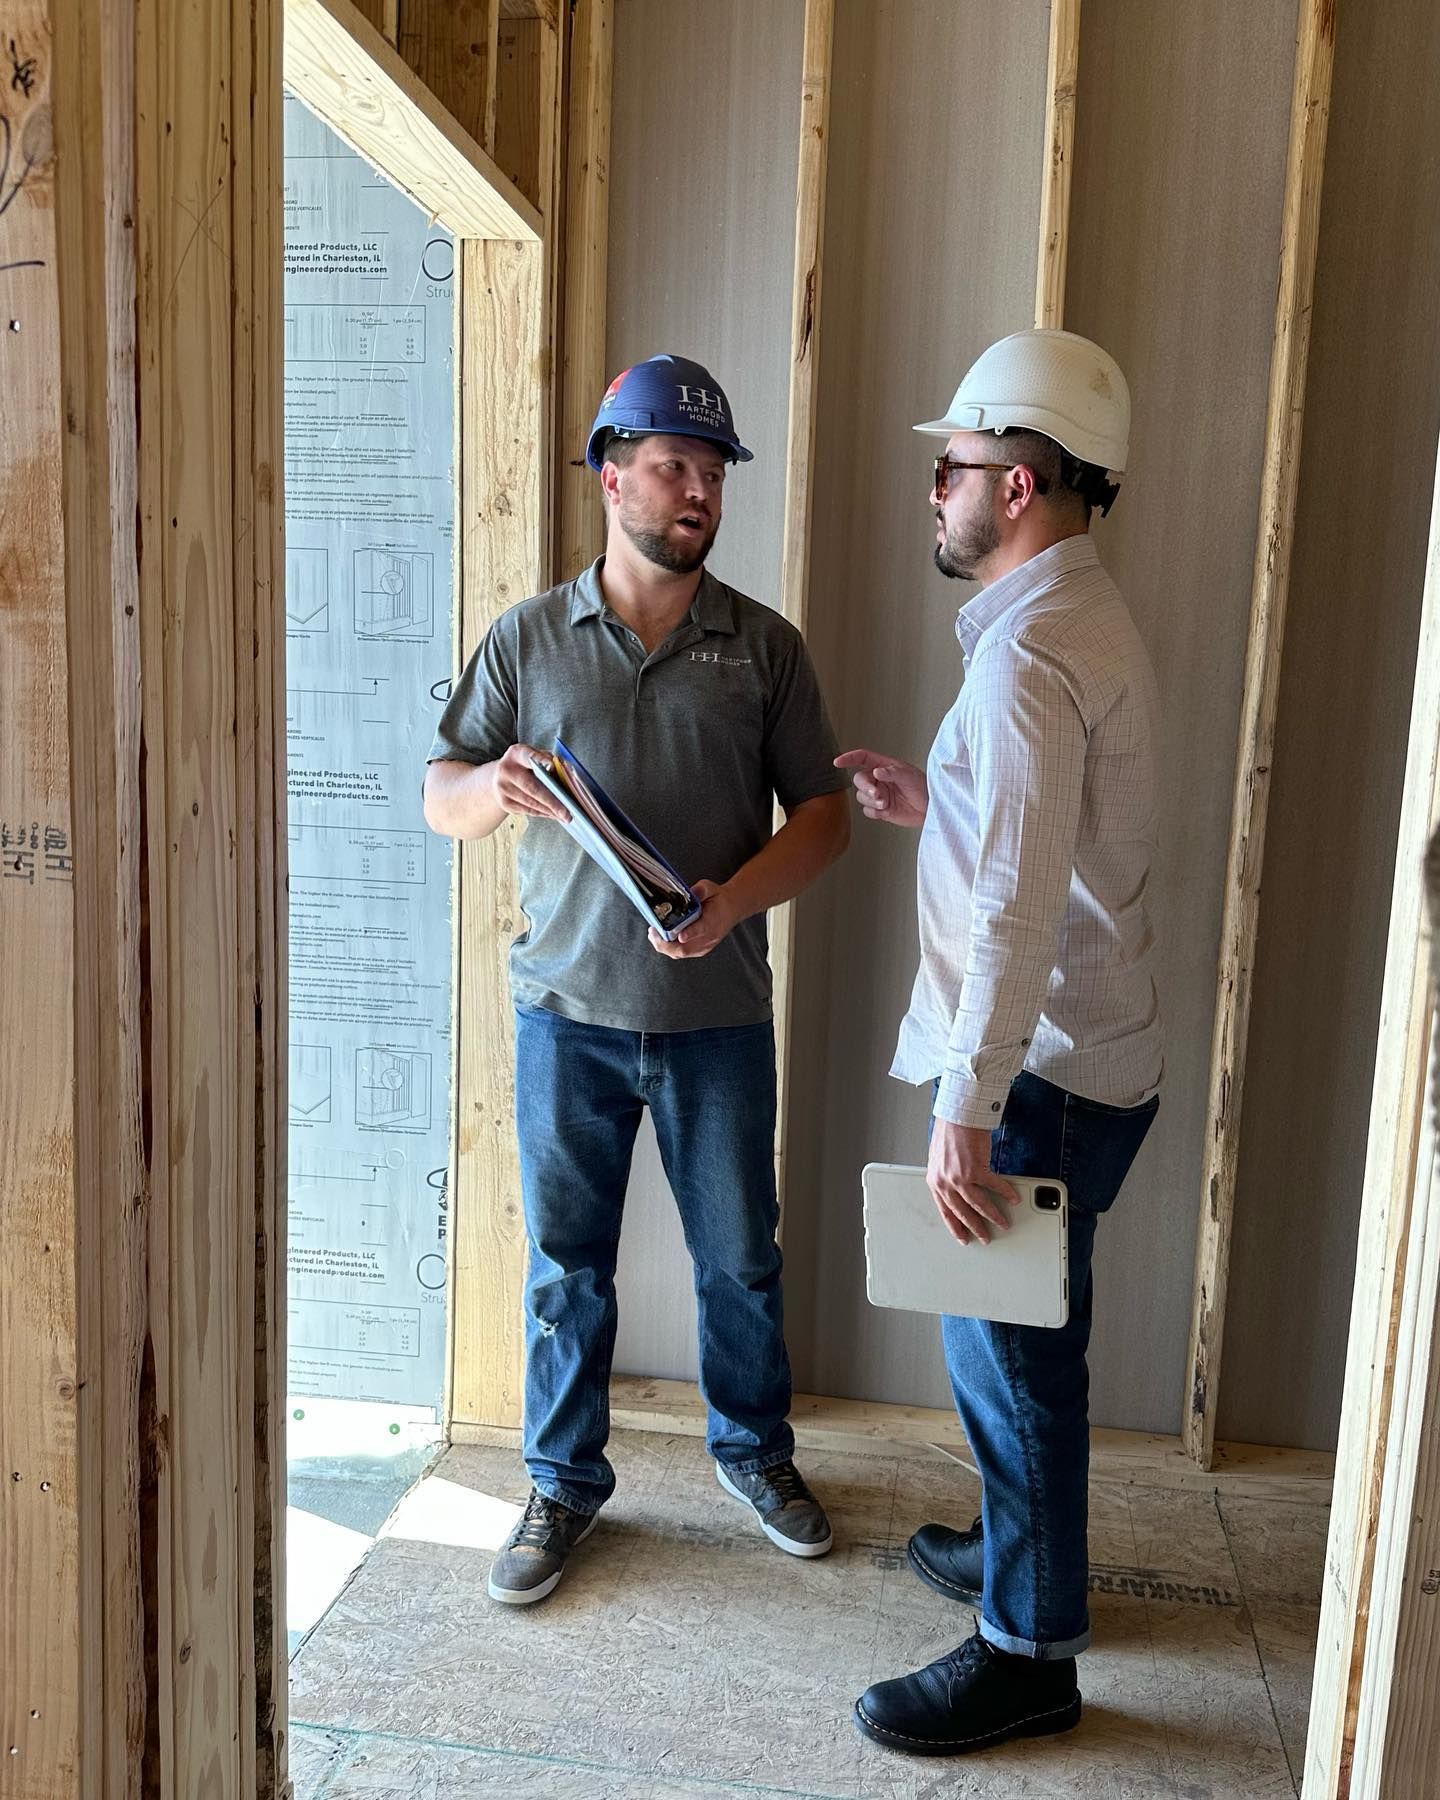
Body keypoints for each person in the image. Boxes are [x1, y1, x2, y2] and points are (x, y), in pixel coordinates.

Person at [424, 354, 851, 1605]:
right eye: (675, 465)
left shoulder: (762, 648)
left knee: (740, 1260)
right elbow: (438, 791)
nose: (699, 491)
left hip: (717, 1021)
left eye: (712, 472)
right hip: (567, 1016)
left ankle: (755, 1456)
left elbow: (823, 818)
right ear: (612, 477)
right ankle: (561, 1484)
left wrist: (732, 904)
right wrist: (484, 792)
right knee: (568, 1269)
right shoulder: (525, 639)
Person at [839, 329, 1163, 1754]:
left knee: (1014, 1364)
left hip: (1034, 1077)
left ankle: (1028, 1652)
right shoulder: (1076, 619)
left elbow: (1023, 919)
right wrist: (942, 802)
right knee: (1028, 1353)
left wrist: (965, 1108)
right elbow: (1045, 841)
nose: (937, 491)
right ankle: (1022, 1555)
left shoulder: (1030, 652)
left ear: (1018, 482)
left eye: (953, 467)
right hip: (1092, 1057)